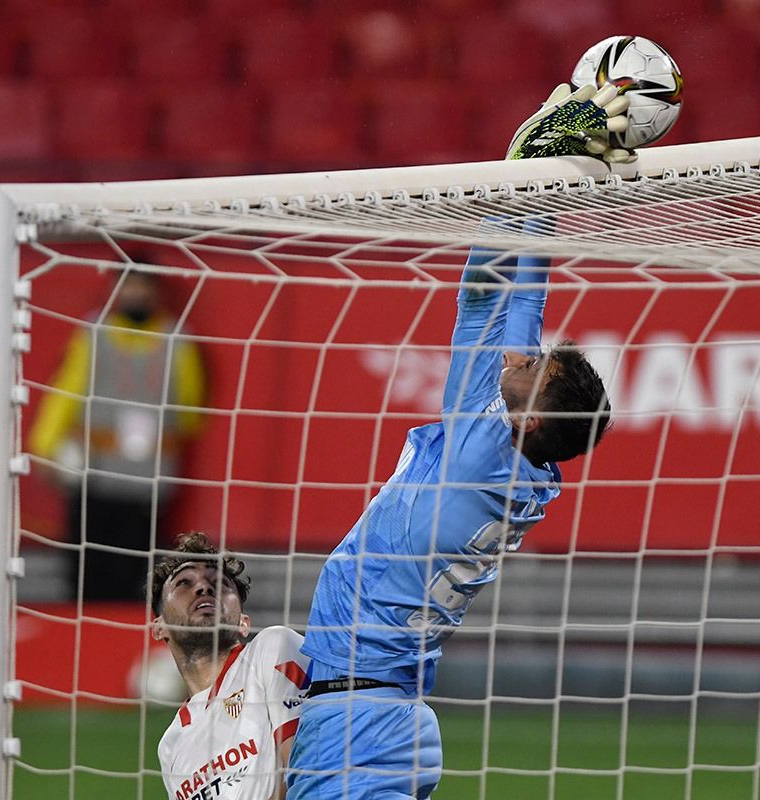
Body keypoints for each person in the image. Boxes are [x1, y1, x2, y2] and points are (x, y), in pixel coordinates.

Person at [286, 84, 622, 799]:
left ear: (530, 418)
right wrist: (544, 183)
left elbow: (485, 299)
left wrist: (525, 174)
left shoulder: (478, 453)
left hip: (357, 719)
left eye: (532, 368)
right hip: (383, 711)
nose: (519, 358)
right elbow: (522, 309)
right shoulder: (526, 471)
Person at [28, 268, 205, 600]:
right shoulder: (95, 334)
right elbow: (67, 389)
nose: (135, 295)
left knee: (138, 568)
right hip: (96, 472)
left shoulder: (178, 340)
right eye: (128, 287)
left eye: (142, 287)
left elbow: (190, 406)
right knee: (88, 567)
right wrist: (45, 444)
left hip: (148, 477)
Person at [153, 531, 308, 800]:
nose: (204, 588)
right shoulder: (170, 745)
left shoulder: (272, 649)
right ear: (160, 627)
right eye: (184, 583)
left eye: (220, 584)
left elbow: (306, 768)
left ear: (243, 623)